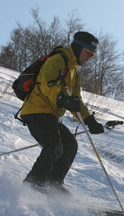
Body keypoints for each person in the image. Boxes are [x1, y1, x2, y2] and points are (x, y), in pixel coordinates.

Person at [20, 31, 105, 194]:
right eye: (88, 53)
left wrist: (89, 120)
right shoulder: (59, 59)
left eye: (93, 55)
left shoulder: (74, 72)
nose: (89, 58)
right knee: (54, 146)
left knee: (70, 144)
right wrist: (61, 99)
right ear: (79, 48)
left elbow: (76, 100)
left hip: (50, 115)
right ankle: (32, 184)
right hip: (36, 110)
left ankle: (54, 182)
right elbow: (46, 83)